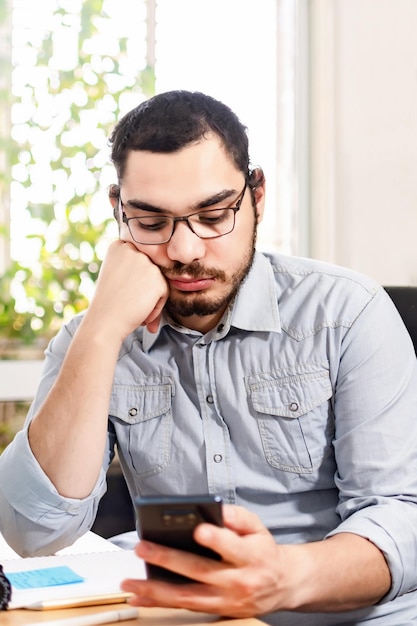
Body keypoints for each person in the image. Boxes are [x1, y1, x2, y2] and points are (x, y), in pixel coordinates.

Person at [0, 90, 417, 626]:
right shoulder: (92, 338)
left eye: (213, 214)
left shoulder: (348, 314)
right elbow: (33, 532)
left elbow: (401, 517)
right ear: (118, 213)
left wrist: (281, 579)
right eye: (151, 223)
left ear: (257, 196)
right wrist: (102, 331)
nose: (185, 250)